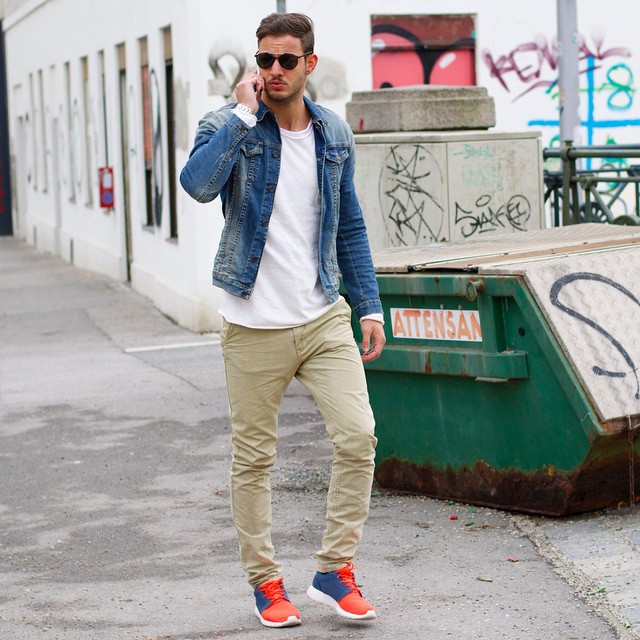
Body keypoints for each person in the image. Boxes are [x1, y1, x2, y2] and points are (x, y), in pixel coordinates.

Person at [180, 12, 385, 629]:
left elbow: (348, 223)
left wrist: (369, 304)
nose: (272, 71)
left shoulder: (333, 134)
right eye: (263, 60)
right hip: (252, 323)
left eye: (285, 61)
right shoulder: (228, 125)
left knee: (359, 438)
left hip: (323, 315)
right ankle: (266, 584)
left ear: (308, 65)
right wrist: (243, 116)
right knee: (254, 459)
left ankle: (333, 568)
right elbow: (196, 185)